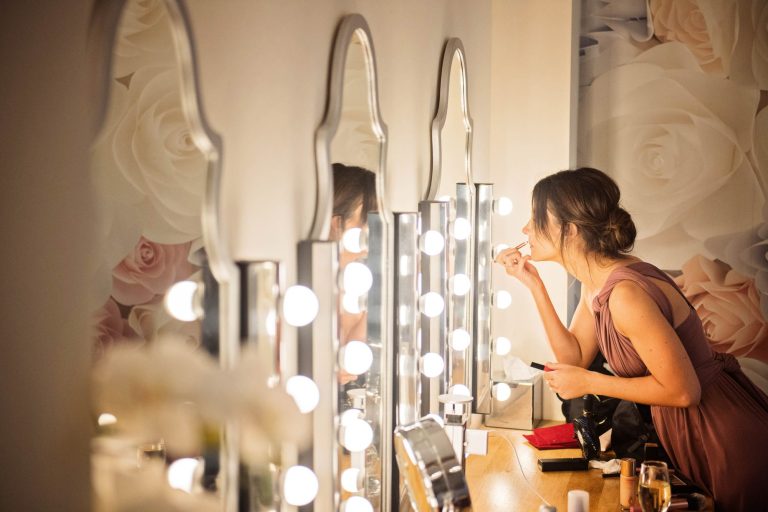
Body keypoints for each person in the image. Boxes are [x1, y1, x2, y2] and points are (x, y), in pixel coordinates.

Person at [496, 167, 768, 511]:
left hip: (723, 432)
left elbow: (684, 391)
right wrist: (534, 285)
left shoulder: (625, 294)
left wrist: (589, 382)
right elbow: (574, 357)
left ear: (570, 230)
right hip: (697, 430)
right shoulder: (596, 280)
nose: (525, 229)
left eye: (536, 218)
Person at [330, 162, 376, 385]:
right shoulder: (303, 291)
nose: (375, 231)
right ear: (336, 223)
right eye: (367, 220)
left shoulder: (359, 286)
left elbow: (353, 367)